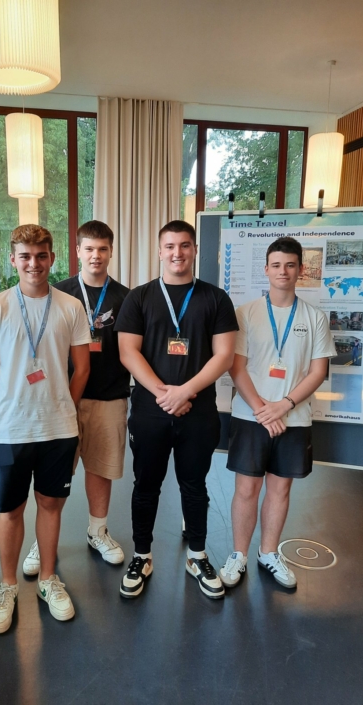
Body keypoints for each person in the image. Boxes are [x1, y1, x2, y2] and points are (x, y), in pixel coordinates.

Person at [115, 220, 238, 599]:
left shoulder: (216, 298)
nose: (177, 253)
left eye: (184, 245)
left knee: (194, 485)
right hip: (150, 411)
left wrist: (185, 391)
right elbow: (128, 352)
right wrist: (163, 393)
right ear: (159, 251)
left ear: (195, 249)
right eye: (169, 246)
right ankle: (141, 555)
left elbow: (224, 355)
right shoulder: (139, 297)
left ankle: (197, 556)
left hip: (198, 411)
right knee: (145, 486)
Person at [0, 224, 90, 634]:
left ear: (52, 258)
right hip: (12, 429)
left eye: (41, 255)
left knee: (50, 504)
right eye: (25, 256)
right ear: (13, 259)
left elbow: (82, 368)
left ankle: (47, 578)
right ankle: (7, 586)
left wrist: (64, 408)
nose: (34, 263)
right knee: (10, 509)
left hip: (58, 428)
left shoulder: (71, 307)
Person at [220, 236, 335, 590]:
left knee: (280, 489)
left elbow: (318, 372)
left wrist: (283, 406)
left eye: (290, 265)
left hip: (293, 418)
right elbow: (236, 367)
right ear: (266, 269)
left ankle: (268, 553)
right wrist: (262, 410)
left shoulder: (315, 318)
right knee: (246, 489)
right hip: (250, 416)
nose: (283, 271)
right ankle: (239, 554)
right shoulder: (245, 313)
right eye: (276, 265)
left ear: (300, 270)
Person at [22, 221, 130, 576]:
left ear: (111, 252)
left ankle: (97, 531)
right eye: (89, 249)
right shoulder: (57, 294)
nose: (96, 255)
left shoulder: (126, 298)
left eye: (102, 249)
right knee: (53, 474)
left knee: (100, 468)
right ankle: (43, 541)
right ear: (78, 251)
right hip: (60, 398)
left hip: (108, 398)